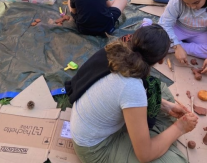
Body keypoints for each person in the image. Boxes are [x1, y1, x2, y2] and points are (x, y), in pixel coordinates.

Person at [68, 24, 198, 163]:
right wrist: (180, 128)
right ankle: (157, 140)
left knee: (159, 89)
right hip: (95, 148)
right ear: (161, 60)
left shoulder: (116, 51)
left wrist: (166, 106)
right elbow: (145, 155)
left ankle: (155, 138)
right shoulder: (131, 87)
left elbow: (122, 92)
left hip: (93, 124)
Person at [159, 0, 207, 64]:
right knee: (157, 43)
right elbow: (165, 23)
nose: (192, 7)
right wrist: (176, 46)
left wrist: (177, 46)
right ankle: (177, 44)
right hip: (180, 28)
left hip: (201, 32)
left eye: (196, 2)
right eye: (187, 4)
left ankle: (179, 46)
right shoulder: (177, 0)